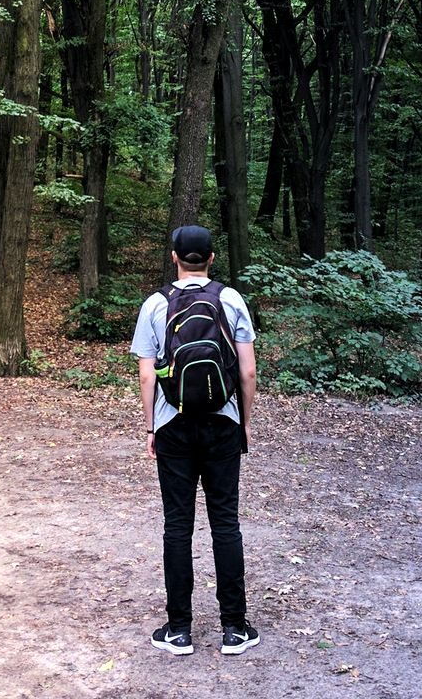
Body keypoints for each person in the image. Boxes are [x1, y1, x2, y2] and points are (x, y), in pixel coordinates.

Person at [130, 225, 259, 656]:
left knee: (177, 524)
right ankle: (235, 628)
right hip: (223, 422)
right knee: (226, 522)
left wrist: (151, 427)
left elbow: (148, 373)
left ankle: (179, 629)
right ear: (211, 257)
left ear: (174, 257)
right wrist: (244, 423)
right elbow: (247, 373)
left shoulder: (155, 304)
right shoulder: (231, 299)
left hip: (174, 425)